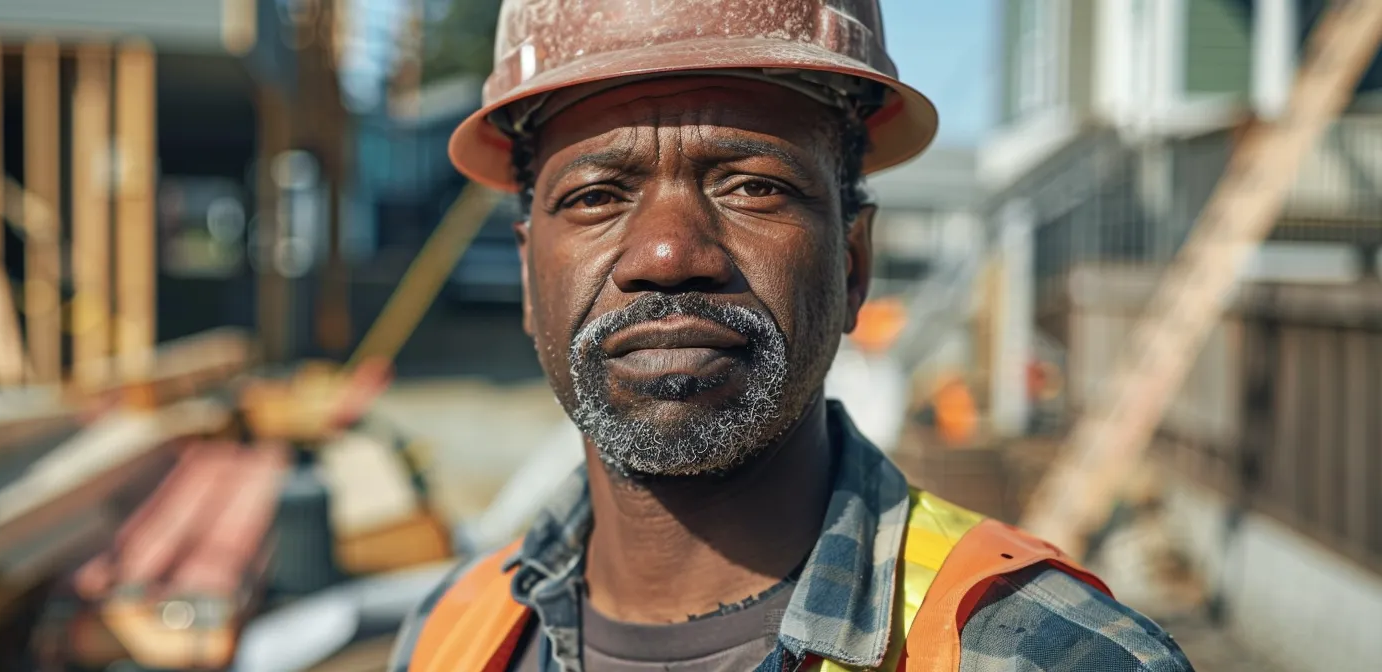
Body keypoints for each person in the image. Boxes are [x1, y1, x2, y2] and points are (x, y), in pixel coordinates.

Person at [389, 0, 1197, 670]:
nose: (669, 254)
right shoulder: (449, 639)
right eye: (598, 195)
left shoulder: (1046, 654)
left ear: (852, 265)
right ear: (531, 279)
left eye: (753, 186)